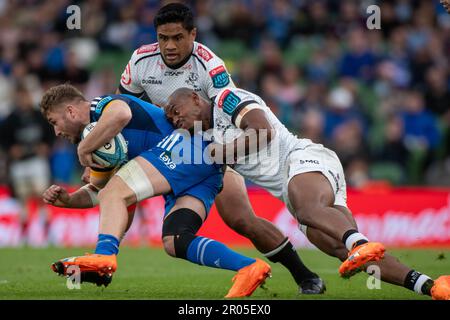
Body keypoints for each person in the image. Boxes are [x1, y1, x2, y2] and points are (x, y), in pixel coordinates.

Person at [110, 2, 324, 294]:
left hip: (213, 144)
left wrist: (217, 156)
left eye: (177, 37)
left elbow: (226, 117)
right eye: (163, 38)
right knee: (167, 230)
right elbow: (125, 109)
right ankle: (108, 251)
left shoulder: (210, 66)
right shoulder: (140, 62)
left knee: (240, 220)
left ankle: (305, 275)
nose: (169, 45)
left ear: (193, 34)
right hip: (169, 147)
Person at [163, 86, 450, 300]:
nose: (175, 119)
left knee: (309, 211)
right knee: (344, 251)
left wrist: (222, 153)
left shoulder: (226, 99)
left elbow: (263, 130)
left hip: (303, 159)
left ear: (195, 99)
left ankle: (359, 241)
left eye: (177, 111)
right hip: (295, 190)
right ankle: (430, 285)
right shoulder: (199, 138)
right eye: (170, 119)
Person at [40, 84, 271, 298]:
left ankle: (103, 256)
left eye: (53, 122)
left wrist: (84, 149)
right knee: (175, 240)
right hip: (205, 169)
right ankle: (248, 267)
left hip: (185, 147)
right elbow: (101, 193)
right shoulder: (101, 140)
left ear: (70, 111)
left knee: (115, 192)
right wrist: (68, 199)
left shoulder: (102, 106)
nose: (56, 132)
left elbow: (121, 114)